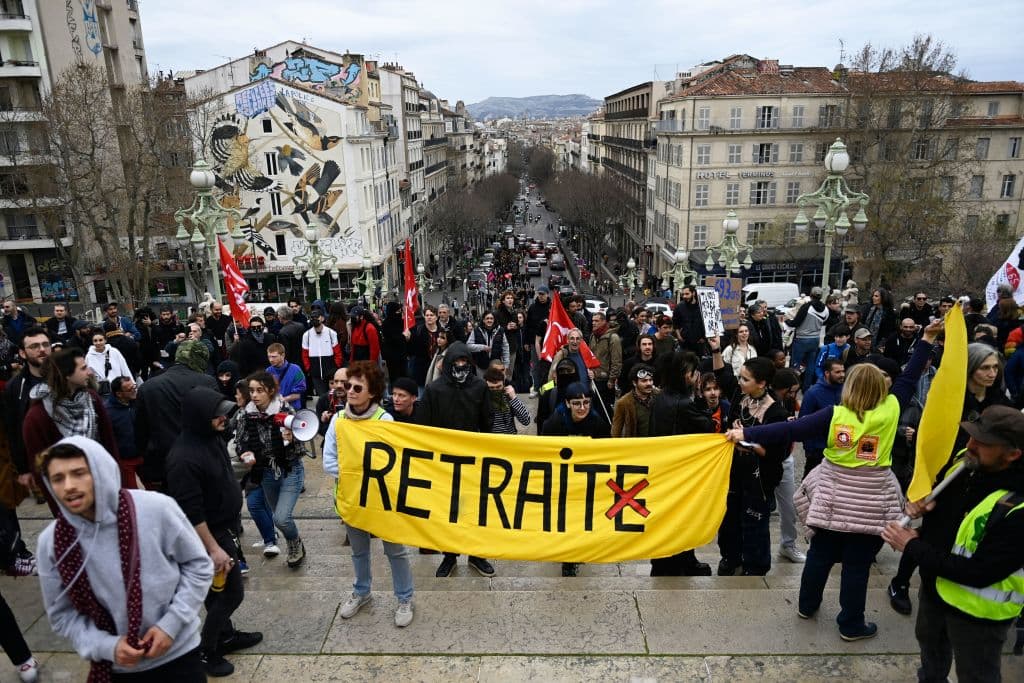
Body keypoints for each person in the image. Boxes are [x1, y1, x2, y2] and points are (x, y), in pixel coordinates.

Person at [727, 319, 942, 641]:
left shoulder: (834, 414)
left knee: (820, 554)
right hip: (871, 497)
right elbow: (910, 376)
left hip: (832, 494)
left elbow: (789, 429)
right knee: (856, 566)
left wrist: (746, 432)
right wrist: (926, 339)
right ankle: (851, 624)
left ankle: (807, 604)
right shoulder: (892, 407)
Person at [36, 437, 213, 680]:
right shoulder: (53, 542)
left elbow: (198, 565)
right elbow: (61, 615)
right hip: (116, 666)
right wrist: (107, 646)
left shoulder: (156, 509)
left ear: (99, 471)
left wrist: (171, 624)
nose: (68, 486)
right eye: (58, 478)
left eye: (79, 473)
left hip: (179, 656)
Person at [881, 405, 1024, 683]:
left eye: (982, 442)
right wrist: (927, 508)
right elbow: (954, 518)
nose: (969, 445)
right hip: (935, 590)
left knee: (977, 674)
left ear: (1013, 454)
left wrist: (912, 546)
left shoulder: (1019, 507)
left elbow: (980, 572)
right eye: (970, 435)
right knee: (931, 653)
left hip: (978, 615)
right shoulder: (968, 462)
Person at [887, 342, 1012, 616]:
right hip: (946, 478)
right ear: (970, 369)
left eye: (995, 367)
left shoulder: (1000, 402)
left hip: (980, 481)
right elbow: (928, 437)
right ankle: (901, 581)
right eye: (985, 368)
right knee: (930, 532)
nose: (992, 373)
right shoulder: (951, 400)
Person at [166, 387, 262, 676]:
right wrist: (214, 549)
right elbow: (191, 513)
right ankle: (207, 651)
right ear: (198, 417)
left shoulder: (211, 438)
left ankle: (225, 635)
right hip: (208, 536)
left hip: (224, 528)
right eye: (217, 414)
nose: (224, 418)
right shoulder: (182, 459)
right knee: (232, 594)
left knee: (215, 592)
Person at [322, 361, 415, 627]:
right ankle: (361, 592)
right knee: (359, 551)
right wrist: (361, 471)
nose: (348, 390)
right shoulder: (339, 420)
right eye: (346, 385)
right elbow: (329, 462)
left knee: (395, 551)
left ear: (372, 392)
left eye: (356, 387)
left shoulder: (384, 420)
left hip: (383, 502)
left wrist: (353, 468)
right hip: (351, 500)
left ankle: (405, 597)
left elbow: (391, 462)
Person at [415, 342, 495, 578]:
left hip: (472, 460)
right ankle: (449, 556)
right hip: (443, 462)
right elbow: (423, 426)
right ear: (448, 365)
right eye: (456, 364)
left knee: (473, 510)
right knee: (447, 511)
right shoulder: (434, 390)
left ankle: (477, 554)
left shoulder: (479, 387)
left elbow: (487, 422)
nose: (460, 368)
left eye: (464, 364)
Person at [713, 348, 790, 577]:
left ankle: (755, 566)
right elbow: (722, 375)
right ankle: (730, 557)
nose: (740, 382)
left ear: (762, 383)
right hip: (734, 471)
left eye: (745, 379)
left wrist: (748, 439)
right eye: (740, 377)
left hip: (760, 477)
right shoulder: (741, 396)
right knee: (729, 520)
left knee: (754, 521)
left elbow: (777, 454)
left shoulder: (776, 412)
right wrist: (716, 349)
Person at [24, 348, 121, 513]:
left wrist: (118, 487)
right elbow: (41, 471)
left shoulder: (92, 399)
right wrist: (61, 511)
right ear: (66, 375)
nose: (89, 372)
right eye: (83, 368)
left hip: (105, 487)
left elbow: (110, 445)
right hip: (71, 499)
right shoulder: (38, 416)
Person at [649, 348, 715, 577]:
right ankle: (683, 560)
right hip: (681, 470)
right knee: (682, 517)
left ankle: (667, 561)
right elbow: (707, 425)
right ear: (685, 375)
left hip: (665, 467)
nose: (697, 377)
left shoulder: (661, 398)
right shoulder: (684, 403)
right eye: (694, 373)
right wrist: (702, 400)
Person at [236, 371, 307, 568]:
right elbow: (241, 441)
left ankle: (294, 544)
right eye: (251, 391)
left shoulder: (285, 410)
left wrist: (292, 439)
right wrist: (245, 453)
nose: (255, 395)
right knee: (278, 518)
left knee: (281, 517)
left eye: (260, 390)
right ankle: (295, 541)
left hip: (290, 469)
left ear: (271, 391)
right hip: (266, 472)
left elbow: (302, 445)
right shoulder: (245, 414)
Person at [541, 381, 610, 576]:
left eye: (586, 402)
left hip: (586, 480)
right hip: (561, 481)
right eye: (577, 403)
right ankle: (567, 558)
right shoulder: (554, 423)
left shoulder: (598, 424)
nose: (583, 408)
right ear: (568, 403)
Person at [134, 341, 219, 492]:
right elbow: (216, 423)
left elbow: (140, 431)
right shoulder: (207, 382)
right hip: (200, 461)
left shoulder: (148, 387)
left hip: (161, 464)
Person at [3, 327, 51, 502]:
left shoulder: (67, 376)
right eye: (35, 346)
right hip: (38, 461)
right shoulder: (15, 388)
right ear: (22, 353)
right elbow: (13, 431)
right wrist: (22, 469)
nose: (42, 349)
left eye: (46, 344)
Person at [770, 369, 806, 564]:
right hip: (765, 460)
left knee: (789, 507)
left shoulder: (791, 402)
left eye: (795, 391)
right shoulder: (767, 403)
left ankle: (788, 544)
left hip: (786, 459)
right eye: (790, 391)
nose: (793, 395)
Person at [800, 357, 846, 477]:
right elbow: (804, 422)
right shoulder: (813, 393)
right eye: (837, 372)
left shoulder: (846, 390)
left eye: (843, 371)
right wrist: (809, 450)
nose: (842, 375)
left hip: (841, 448)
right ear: (826, 373)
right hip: (818, 451)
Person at [787, 287, 829, 392]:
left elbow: (796, 322)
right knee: (811, 364)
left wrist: (788, 321)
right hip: (815, 339)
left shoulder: (807, 307)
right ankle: (806, 388)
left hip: (802, 339)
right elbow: (824, 322)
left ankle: (793, 388)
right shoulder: (825, 309)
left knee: (796, 365)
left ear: (811, 295)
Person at [105, 376, 141, 489]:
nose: (134, 390)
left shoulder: (139, 403)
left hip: (143, 455)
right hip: (124, 460)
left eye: (134, 387)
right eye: (130, 389)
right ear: (119, 394)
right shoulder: (107, 412)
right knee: (131, 492)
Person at [301, 308, 342, 397]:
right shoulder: (306, 335)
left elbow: (338, 352)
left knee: (333, 395)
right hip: (315, 372)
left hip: (330, 371)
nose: (314, 319)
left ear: (322, 318)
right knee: (322, 396)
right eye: (312, 317)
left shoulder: (331, 333)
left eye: (317, 317)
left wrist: (336, 367)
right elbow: (304, 354)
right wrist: (309, 369)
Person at [611, 363, 657, 438]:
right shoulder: (623, 403)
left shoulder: (659, 397)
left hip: (658, 444)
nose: (649, 383)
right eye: (644, 381)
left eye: (650, 380)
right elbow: (616, 431)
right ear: (634, 383)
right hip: (637, 445)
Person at [484, 363, 531, 435]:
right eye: (491, 388)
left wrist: (514, 398)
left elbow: (526, 420)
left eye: (498, 387)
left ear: (504, 384)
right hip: (490, 441)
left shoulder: (508, 397)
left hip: (509, 439)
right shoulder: (482, 400)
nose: (495, 390)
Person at [589, 311, 622, 413]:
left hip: (606, 381)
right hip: (593, 378)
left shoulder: (613, 338)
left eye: (596, 321)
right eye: (592, 321)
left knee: (606, 410)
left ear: (603, 322)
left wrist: (612, 380)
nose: (593, 323)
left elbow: (616, 361)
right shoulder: (593, 336)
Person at [86, 331, 133, 395]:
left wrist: (132, 383)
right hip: (102, 391)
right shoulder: (89, 357)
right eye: (95, 341)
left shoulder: (114, 352)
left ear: (105, 340)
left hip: (118, 388)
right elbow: (89, 376)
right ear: (92, 342)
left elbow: (124, 368)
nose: (98, 343)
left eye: (100, 340)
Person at [525, 286, 552, 396]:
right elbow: (528, 325)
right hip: (534, 342)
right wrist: (526, 341)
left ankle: (547, 389)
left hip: (549, 342)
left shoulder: (552, 307)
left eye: (543, 294)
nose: (541, 296)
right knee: (536, 366)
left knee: (550, 367)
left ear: (547, 294)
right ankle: (536, 388)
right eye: (539, 294)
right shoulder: (532, 307)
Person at [266, 342, 306, 411]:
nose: (271, 360)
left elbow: (298, 394)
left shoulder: (296, 370)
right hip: (274, 410)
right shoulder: (268, 371)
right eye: (269, 356)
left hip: (292, 409)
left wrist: (283, 400)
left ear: (283, 355)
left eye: (274, 357)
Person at [672, 285, 705, 354]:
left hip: (699, 344)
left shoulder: (702, 306)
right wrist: (679, 336)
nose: (684, 296)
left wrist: (704, 338)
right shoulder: (679, 307)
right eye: (683, 294)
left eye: (687, 294)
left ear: (693, 293)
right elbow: (675, 323)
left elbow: (708, 322)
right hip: (684, 343)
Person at [316, 367, 348, 436]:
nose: (338, 385)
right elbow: (319, 427)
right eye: (336, 381)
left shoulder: (357, 400)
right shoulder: (324, 399)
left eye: (343, 382)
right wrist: (325, 421)